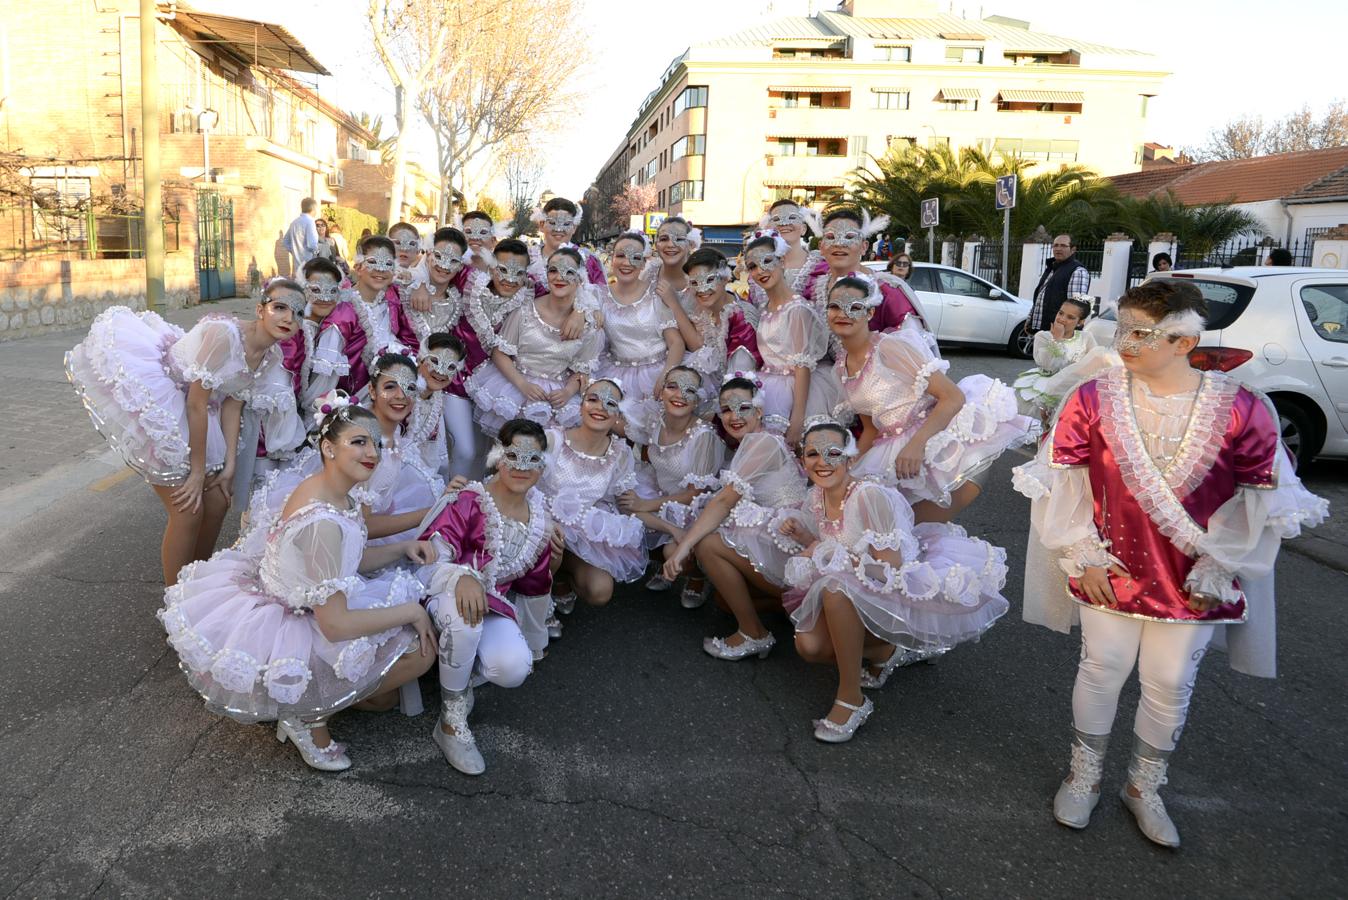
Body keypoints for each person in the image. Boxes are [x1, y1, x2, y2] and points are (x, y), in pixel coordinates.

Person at [1012, 280, 1327, 847]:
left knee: (1171, 680)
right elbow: (1063, 483)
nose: (1125, 342)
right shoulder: (1092, 397)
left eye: (1142, 333)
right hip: (1111, 564)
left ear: (1183, 342)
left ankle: (1143, 786)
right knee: (1101, 666)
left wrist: (1220, 563)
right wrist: (1080, 554)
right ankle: (1083, 775)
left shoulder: (1242, 407)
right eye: (1122, 328)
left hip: (1194, 575)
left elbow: (1260, 501)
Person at [157, 401, 438, 772]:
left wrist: (402, 546)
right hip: (299, 619)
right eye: (358, 442)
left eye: (376, 444)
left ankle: (313, 701)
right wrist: (411, 611)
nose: (371, 453)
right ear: (328, 447)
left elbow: (346, 562)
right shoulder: (322, 521)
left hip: (310, 598)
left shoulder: (335, 490)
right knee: (420, 653)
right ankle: (306, 716)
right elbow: (334, 625)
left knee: (383, 699)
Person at [778, 419, 1009, 742]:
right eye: (813, 454)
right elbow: (832, 545)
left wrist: (829, 553)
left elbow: (890, 569)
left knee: (834, 587)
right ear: (803, 461)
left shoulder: (869, 496)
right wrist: (806, 537)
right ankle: (885, 650)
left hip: (895, 587)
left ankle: (851, 699)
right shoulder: (817, 497)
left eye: (833, 453)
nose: (822, 462)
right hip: (856, 588)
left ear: (849, 458)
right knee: (809, 646)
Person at [66, 280, 307, 585]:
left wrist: (230, 466)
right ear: (261, 310)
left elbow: (233, 405)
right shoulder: (226, 335)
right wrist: (196, 473)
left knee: (219, 501)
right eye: (279, 308)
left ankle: (195, 585)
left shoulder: (270, 357)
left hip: (207, 414)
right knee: (188, 511)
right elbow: (195, 403)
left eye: (297, 313)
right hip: (168, 403)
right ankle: (174, 600)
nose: (288, 318)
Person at [416, 419, 563, 774]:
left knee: (513, 669)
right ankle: (450, 721)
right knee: (465, 619)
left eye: (532, 460)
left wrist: (533, 642)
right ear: (498, 457)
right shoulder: (469, 499)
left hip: (492, 603)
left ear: (542, 468)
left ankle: (459, 672)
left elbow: (535, 586)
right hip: (442, 590)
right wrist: (461, 576)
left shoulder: (541, 520)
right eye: (513, 456)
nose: (520, 467)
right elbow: (427, 562)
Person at [829, 275, 1032, 522]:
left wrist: (916, 446)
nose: (843, 313)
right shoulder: (841, 368)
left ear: (870, 313)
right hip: (887, 450)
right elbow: (871, 428)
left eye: (855, 307)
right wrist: (847, 471)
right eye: (835, 306)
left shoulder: (889, 348)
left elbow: (952, 397)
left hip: (936, 448)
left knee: (911, 529)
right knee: (876, 523)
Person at [662, 376, 808, 660]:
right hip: (784, 543)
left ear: (759, 411)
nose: (734, 416)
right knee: (724, 600)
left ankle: (754, 634)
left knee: (708, 546)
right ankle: (788, 609)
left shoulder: (763, 443)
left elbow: (724, 501)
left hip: (790, 547)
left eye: (743, 407)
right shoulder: (759, 441)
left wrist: (684, 548)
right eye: (727, 409)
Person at [537, 379, 647, 629]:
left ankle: (562, 580)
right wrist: (543, 523)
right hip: (542, 524)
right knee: (549, 544)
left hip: (581, 532)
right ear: (581, 405)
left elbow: (625, 503)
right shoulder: (552, 439)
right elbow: (522, 486)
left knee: (600, 591)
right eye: (593, 399)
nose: (600, 408)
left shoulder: (620, 453)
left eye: (610, 403)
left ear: (618, 414)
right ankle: (539, 603)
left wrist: (673, 529)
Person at [465, 246, 603, 434]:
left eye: (568, 272)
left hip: (556, 399)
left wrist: (568, 392)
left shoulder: (587, 322)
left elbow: (582, 369)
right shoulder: (525, 310)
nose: (559, 277)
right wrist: (523, 385)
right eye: (553, 270)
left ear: (580, 278)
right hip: (515, 390)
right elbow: (500, 353)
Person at [618, 366, 727, 605]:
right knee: (621, 503)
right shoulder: (655, 419)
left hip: (693, 504)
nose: (679, 395)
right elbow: (618, 425)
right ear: (661, 392)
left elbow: (696, 493)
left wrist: (647, 504)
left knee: (667, 547)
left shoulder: (704, 437)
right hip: (660, 489)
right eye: (672, 387)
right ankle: (672, 533)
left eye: (689, 390)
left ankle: (697, 577)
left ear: (698, 398)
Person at [741, 231, 843, 443]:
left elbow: (802, 367)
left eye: (767, 261)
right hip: (767, 386)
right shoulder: (765, 307)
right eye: (753, 266)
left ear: (782, 261)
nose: (761, 271)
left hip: (796, 392)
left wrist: (797, 421)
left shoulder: (797, 309)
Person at [313, 233, 419, 398]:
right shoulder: (343, 312)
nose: (380, 269)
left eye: (387, 264)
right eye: (372, 262)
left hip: (391, 394)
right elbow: (325, 378)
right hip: (352, 399)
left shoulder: (392, 301)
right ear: (358, 267)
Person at [664, 247, 762, 412]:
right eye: (695, 283)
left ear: (724, 279)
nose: (702, 289)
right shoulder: (702, 310)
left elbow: (740, 377)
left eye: (709, 280)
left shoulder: (741, 316)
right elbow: (698, 347)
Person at [798, 207, 923, 332]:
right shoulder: (813, 286)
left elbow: (911, 343)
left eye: (849, 236)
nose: (839, 244)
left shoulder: (887, 293)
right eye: (831, 237)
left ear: (864, 246)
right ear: (821, 247)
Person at [595, 231, 684, 401]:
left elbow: (676, 342)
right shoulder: (598, 295)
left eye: (635, 257)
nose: (626, 263)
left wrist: (667, 375)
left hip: (656, 373)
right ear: (611, 259)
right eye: (620, 255)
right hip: (614, 375)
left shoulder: (656, 293)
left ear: (643, 263)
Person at [1012, 297, 1116, 425]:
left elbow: (1095, 360)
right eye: (1061, 313)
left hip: (1072, 384)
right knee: (1042, 419)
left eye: (1070, 317)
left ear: (1080, 322)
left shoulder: (1086, 337)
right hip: (1047, 382)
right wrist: (1057, 339)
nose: (1062, 319)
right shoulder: (1043, 336)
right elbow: (1047, 365)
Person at [528, 197, 607, 293]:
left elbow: (602, 297)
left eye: (566, 224)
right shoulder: (527, 258)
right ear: (541, 225)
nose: (559, 229)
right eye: (552, 223)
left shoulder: (587, 261)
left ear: (574, 227)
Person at [1029, 234, 1090, 333]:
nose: (1058, 249)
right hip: (1041, 330)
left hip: (1058, 332)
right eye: (1056, 245)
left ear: (1073, 249)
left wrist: (1064, 333)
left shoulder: (1077, 271)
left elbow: (1075, 307)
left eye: (1063, 246)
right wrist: (1030, 321)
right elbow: (1040, 298)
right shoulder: (1051, 268)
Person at [283, 198, 320, 274]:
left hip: (297, 265)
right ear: (313, 208)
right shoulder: (310, 222)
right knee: (310, 285)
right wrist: (317, 252)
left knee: (299, 284)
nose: (316, 211)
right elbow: (312, 245)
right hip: (309, 264)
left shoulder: (294, 223)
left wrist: (294, 251)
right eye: (316, 209)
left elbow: (285, 242)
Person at [388, 221, 429, 290]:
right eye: (398, 243)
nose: (404, 249)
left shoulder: (424, 275)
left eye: (411, 244)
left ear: (418, 249)